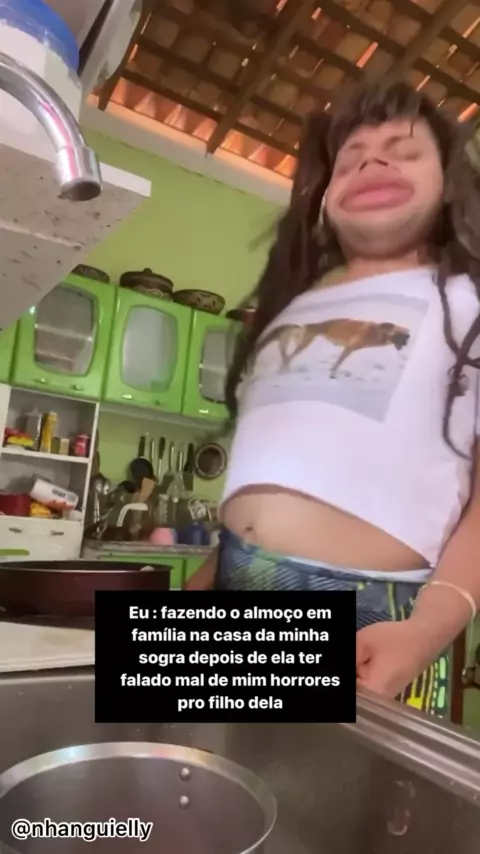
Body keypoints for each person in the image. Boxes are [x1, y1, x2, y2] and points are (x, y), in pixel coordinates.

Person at [186, 79, 480, 717]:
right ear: (323, 200)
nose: (373, 163)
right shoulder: (289, 310)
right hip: (228, 580)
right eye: (351, 160)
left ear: (449, 185)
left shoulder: (470, 305)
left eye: (403, 151)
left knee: (323, 790)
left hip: (367, 615)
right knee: (166, 761)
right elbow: (269, 481)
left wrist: (426, 631)